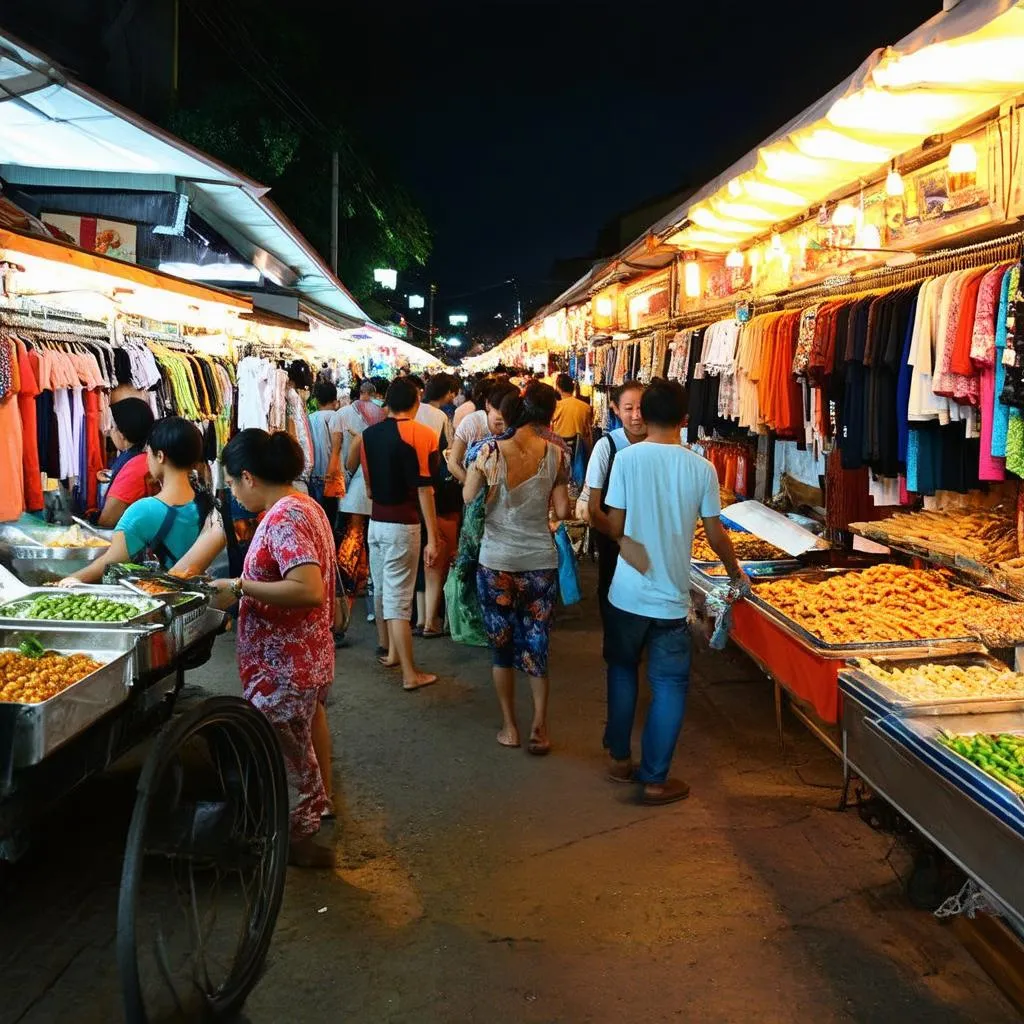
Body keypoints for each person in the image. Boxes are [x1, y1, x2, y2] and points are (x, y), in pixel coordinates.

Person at [602, 379, 747, 806]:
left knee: (623, 671)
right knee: (668, 684)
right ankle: (654, 779)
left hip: (626, 594)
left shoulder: (627, 459)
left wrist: (633, 545)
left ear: (643, 416)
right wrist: (734, 572)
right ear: (685, 420)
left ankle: (618, 760)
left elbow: (614, 523)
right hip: (671, 599)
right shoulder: (701, 468)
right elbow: (717, 536)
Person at [211, 429, 337, 869]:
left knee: (289, 758)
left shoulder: (284, 517)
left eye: (230, 483)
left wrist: (240, 587)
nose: (231, 492)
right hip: (301, 658)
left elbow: (308, 588)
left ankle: (298, 843)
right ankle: (303, 829)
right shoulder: (304, 505)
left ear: (248, 477)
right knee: (295, 750)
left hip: (286, 666)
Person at [464, 383, 570, 755]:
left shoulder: (489, 451)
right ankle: (540, 727)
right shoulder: (557, 454)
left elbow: (468, 497)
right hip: (540, 563)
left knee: (501, 649)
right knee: (537, 643)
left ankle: (510, 727)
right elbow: (563, 511)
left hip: (497, 563)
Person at [359, 377, 440, 690]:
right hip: (403, 525)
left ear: (387, 403)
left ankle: (392, 652)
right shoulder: (424, 434)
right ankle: (410, 673)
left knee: (382, 590)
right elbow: (425, 490)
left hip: (376, 522)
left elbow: (367, 485)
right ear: (416, 403)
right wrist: (434, 537)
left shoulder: (368, 436)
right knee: (399, 600)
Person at [64, 417, 212, 584]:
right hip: (201, 598)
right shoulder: (208, 503)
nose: (146, 458)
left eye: (148, 452)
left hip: (160, 600)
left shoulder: (144, 511)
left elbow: (110, 562)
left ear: (160, 456)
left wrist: (70, 579)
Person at [585, 381, 646, 619]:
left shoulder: (660, 443)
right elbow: (593, 506)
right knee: (612, 587)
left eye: (641, 408)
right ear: (615, 409)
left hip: (649, 536)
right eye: (629, 408)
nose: (636, 416)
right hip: (612, 537)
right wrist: (619, 538)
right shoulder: (607, 446)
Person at [415, 373, 459, 636]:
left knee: (421, 553)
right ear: (446, 392)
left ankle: (421, 617)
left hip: (410, 490)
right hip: (434, 488)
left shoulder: (413, 410)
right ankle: (430, 619)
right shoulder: (439, 417)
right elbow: (448, 453)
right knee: (434, 554)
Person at [95, 397, 155, 528]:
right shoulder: (144, 458)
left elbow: (107, 521)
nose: (110, 432)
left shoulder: (134, 467)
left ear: (122, 433)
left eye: (113, 427)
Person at [447, 379, 517, 483]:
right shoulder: (472, 423)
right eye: (498, 409)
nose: (503, 416)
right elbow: (453, 464)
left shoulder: (516, 424)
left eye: (509, 411)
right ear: (488, 404)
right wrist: (473, 490)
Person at [308, 380, 345, 528]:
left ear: (317, 400)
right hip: (330, 475)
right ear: (334, 399)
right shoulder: (335, 417)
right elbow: (336, 447)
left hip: (314, 474)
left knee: (317, 520)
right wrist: (331, 473)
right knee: (330, 520)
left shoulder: (310, 417)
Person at [551, 373, 593, 462]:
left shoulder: (556, 406)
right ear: (573, 387)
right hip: (580, 451)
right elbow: (588, 432)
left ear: (558, 388)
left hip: (559, 449)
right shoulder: (586, 407)